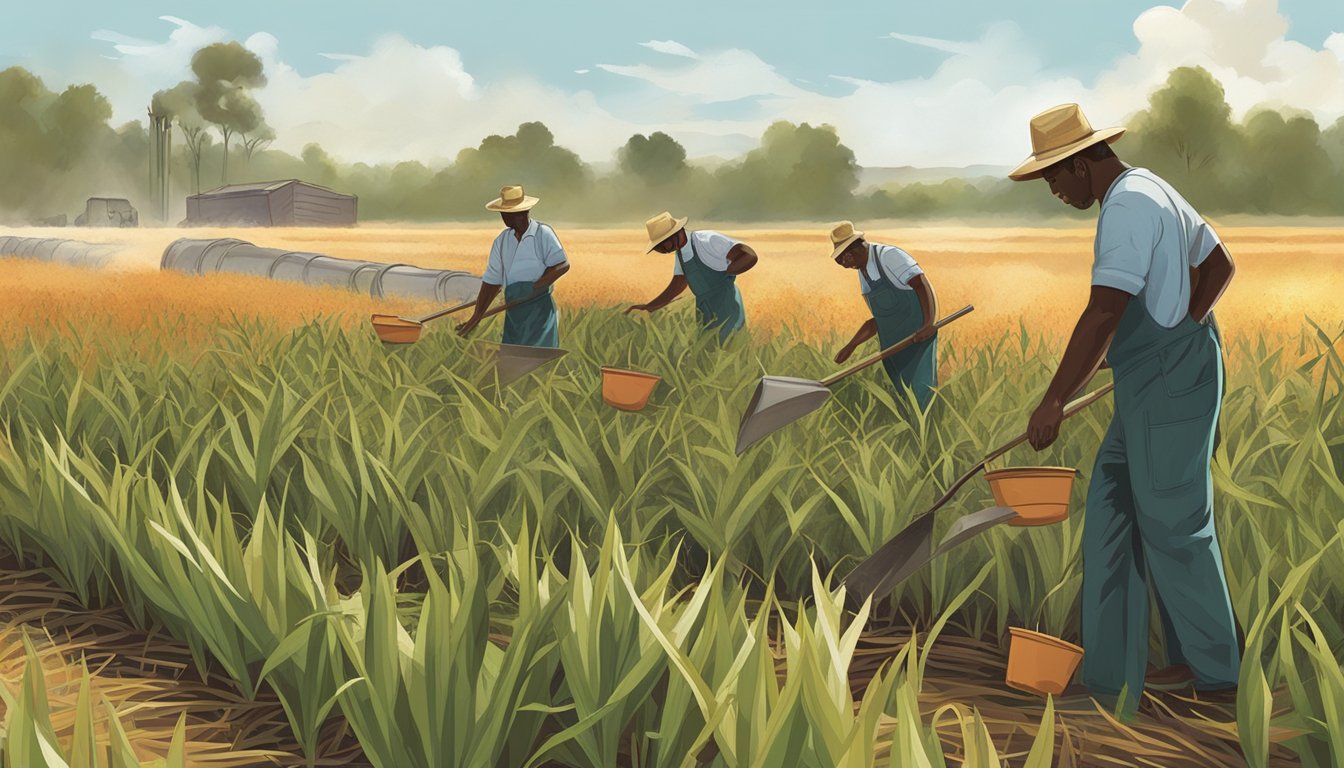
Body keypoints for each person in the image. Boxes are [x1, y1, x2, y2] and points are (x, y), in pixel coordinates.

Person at [1010, 103, 1240, 709]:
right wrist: (1176, 327)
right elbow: (1219, 264)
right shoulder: (1149, 188)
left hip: (1170, 384)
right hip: (1155, 376)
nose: (1054, 190)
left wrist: (1053, 399)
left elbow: (1105, 311)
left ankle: (1217, 676)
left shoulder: (1130, 205)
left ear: (1085, 162)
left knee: (1174, 521)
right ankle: (1112, 676)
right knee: (1113, 506)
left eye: (1055, 176)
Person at [829, 221, 939, 407]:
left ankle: (928, 431)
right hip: (892, 348)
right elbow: (878, 321)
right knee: (904, 397)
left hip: (917, 340)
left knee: (922, 392)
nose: (844, 266)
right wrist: (851, 346)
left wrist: (929, 324)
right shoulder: (863, 274)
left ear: (855, 249)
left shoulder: (889, 256)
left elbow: (920, 284)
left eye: (843, 260)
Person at [457, 185, 570, 347]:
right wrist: (475, 319)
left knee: (539, 355)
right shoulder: (502, 241)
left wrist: (535, 287)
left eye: (508, 214)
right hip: (514, 311)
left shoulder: (542, 234)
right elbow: (492, 282)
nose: (505, 218)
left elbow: (562, 265)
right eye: (503, 214)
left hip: (538, 308)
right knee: (513, 351)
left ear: (523, 213)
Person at [625, 211, 756, 342]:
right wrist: (649, 307)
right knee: (708, 350)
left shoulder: (707, 240)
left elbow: (748, 255)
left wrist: (725, 275)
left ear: (675, 234)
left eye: (661, 244)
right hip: (704, 309)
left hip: (727, 305)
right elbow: (678, 284)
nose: (661, 250)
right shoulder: (681, 253)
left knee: (731, 345)